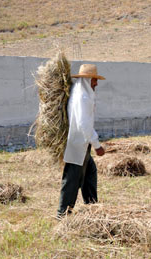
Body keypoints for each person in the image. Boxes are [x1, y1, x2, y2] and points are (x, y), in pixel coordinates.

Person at [57, 64, 106, 218]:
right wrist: (97, 145)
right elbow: (84, 125)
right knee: (72, 179)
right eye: (94, 80)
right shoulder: (82, 98)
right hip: (78, 144)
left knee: (90, 172)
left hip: (82, 144)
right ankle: (62, 214)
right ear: (87, 80)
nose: (96, 83)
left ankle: (93, 208)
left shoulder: (82, 94)